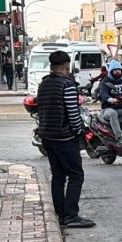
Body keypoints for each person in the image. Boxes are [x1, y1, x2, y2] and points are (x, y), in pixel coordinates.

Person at [35, 50, 94, 228]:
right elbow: (72, 112)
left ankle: (61, 214)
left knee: (58, 176)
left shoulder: (43, 84)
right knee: (76, 175)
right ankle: (71, 215)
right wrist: (78, 131)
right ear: (67, 67)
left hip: (48, 136)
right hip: (65, 137)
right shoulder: (67, 85)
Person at [97, 60, 122, 139]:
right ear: (111, 71)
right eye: (115, 70)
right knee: (113, 114)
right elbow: (103, 93)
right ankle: (119, 137)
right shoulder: (106, 81)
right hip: (109, 108)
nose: (118, 72)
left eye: (119, 70)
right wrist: (109, 99)